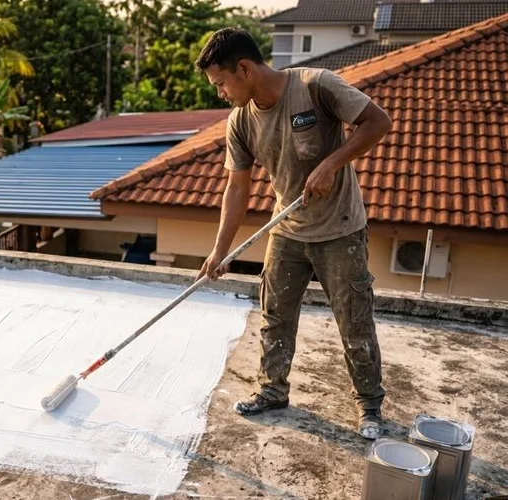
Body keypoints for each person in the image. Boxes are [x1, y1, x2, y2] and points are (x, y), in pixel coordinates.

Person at [194, 28, 392, 439]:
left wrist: (332, 163)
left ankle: (369, 406)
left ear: (244, 69)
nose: (220, 93)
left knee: (354, 321)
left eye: (221, 84)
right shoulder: (241, 122)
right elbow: (236, 188)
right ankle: (272, 390)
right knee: (275, 316)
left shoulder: (315, 85)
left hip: (340, 229)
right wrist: (219, 251)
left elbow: (377, 122)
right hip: (286, 228)